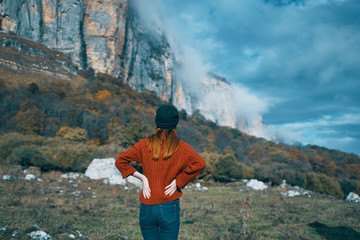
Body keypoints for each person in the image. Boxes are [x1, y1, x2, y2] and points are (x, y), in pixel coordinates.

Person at [115, 104, 206, 240]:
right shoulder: (182, 147)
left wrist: (143, 179)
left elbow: (120, 161)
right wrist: (179, 181)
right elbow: (200, 163)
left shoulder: (144, 144)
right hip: (169, 205)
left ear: (156, 122)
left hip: (147, 206)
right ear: (175, 124)